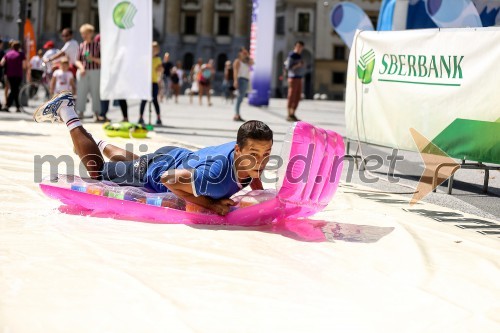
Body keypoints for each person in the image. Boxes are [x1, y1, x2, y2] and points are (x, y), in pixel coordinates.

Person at [33, 91, 273, 216]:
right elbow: (167, 180)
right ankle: (67, 111)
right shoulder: (214, 176)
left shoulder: (248, 152)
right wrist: (210, 205)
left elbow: (254, 166)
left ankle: (93, 140)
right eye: (254, 154)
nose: (260, 161)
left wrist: (258, 189)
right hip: (154, 172)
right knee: (98, 170)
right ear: (238, 149)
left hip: (174, 155)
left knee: (140, 160)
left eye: (267, 154)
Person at [75, 23, 101, 121]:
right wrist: (81, 68)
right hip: (83, 72)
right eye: (82, 33)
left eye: (85, 33)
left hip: (95, 71)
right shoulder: (81, 46)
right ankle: (80, 112)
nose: (84, 36)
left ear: (91, 33)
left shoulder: (98, 46)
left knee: (95, 92)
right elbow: (77, 60)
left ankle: (96, 113)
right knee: (81, 92)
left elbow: (102, 60)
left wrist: (93, 58)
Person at [139, 41, 163, 125]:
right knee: (144, 100)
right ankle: (141, 117)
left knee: (154, 100)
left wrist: (159, 69)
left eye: (155, 49)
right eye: (152, 48)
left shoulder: (158, 59)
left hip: (154, 82)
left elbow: (160, 70)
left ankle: (158, 117)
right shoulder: (146, 58)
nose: (153, 50)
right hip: (146, 82)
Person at [0, 40, 26, 113]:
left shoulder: (8, 54)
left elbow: (2, 63)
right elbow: (24, 65)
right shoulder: (21, 54)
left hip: (9, 74)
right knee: (14, 90)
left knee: (15, 90)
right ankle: (7, 105)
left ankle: (17, 107)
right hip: (18, 75)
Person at [285, 41, 305, 122]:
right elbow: (288, 67)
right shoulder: (292, 55)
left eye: (301, 47)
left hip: (299, 78)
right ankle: (289, 114)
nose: (299, 48)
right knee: (291, 96)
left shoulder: (299, 56)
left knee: (297, 96)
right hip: (293, 78)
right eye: (298, 46)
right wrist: (298, 65)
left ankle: (293, 113)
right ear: (295, 46)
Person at [233, 46, 254, 122]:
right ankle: (236, 114)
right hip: (240, 79)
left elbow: (252, 62)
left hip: (246, 80)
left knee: (241, 98)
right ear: (239, 53)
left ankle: (237, 114)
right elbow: (235, 72)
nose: (245, 54)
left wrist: (247, 55)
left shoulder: (246, 62)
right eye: (243, 52)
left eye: (246, 52)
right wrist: (235, 81)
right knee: (239, 98)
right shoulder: (237, 61)